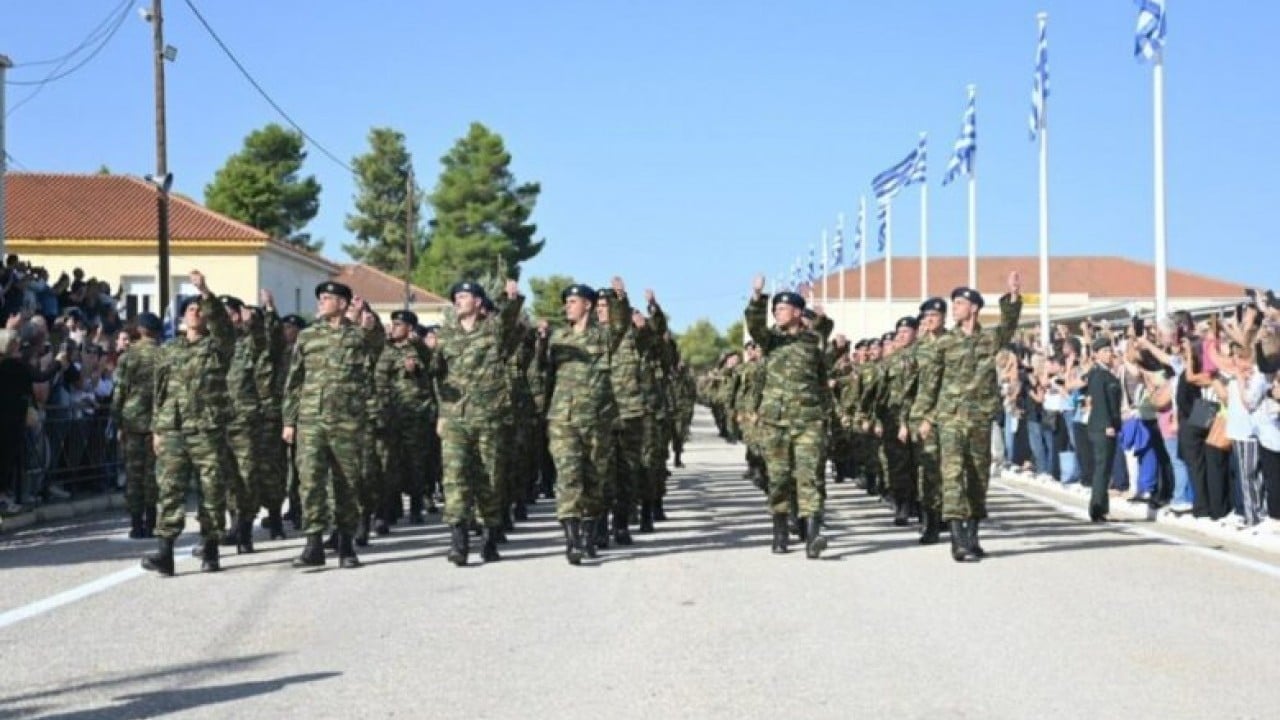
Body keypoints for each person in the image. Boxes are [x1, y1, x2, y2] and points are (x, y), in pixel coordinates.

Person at [914, 271, 1022, 562]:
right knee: (952, 477)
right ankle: (957, 540)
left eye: (960, 303)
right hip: (950, 418)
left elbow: (1009, 325)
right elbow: (929, 383)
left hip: (980, 419)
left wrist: (1012, 296)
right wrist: (922, 418)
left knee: (977, 476)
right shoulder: (944, 343)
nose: (955, 308)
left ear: (973, 308)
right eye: (954, 303)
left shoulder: (989, 338)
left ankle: (973, 537)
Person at [142, 270, 235, 576]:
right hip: (173, 429)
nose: (195, 313)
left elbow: (223, 325)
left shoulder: (218, 346)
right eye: (191, 309)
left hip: (207, 428)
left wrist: (205, 292)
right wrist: (157, 428)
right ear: (182, 317)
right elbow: (160, 391)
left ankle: (210, 549)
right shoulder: (169, 350)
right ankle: (164, 553)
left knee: (211, 490)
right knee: (169, 489)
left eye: (199, 309)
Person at [282, 281, 378, 570]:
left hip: (347, 422)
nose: (321, 302)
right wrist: (289, 421)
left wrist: (367, 322)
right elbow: (294, 380)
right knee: (310, 482)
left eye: (327, 298)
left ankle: (346, 544)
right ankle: (313, 544)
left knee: (347, 484)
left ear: (343, 303)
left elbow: (378, 346)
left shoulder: (359, 335)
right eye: (320, 298)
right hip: (311, 420)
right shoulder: (308, 336)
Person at [432, 279, 523, 566]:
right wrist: (441, 414)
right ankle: (458, 541)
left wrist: (510, 299)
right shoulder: (445, 336)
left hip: (488, 417)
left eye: (464, 296)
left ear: (479, 302)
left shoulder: (494, 330)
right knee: (454, 477)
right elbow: (437, 377)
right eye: (456, 297)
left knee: (490, 478)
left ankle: (488, 534)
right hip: (455, 417)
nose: (458, 301)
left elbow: (509, 322)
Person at [538, 279, 628, 564]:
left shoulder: (603, 337)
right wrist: (540, 341)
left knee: (595, 479)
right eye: (566, 302)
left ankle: (589, 533)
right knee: (568, 476)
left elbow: (620, 324)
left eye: (573, 302)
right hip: (563, 418)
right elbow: (542, 368)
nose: (568, 306)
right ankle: (572, 540)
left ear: (587, 305)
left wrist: (619, 299)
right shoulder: (558, 338)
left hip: (597, 419)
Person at [744, 276, 833, 558]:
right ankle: (780, 530)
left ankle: (813, 534)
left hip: (808, 420)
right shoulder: (771, 341)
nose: (777, 314)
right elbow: (755, 325)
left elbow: (821, 376)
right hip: (776, 421)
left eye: (782, 309)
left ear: (796, 312)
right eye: (775, 310)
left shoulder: (812, 341)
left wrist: (827, 415)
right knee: (779, 478)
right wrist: (758, 297)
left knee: (810, 477)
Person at [111, 311, 162, 539]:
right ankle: (151, 522)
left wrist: (116, 422)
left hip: (132, 422)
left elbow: (119, 392)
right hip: (157, 423)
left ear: (139, 329)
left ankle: (136, 524)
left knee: (133, 474)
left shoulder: (128, 357)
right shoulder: (164, 355)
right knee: (152, 475)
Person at [1085, 338, 1123, 522]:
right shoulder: (1099, 374)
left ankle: (1101, 508)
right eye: (1105, 351)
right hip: (1101, 427)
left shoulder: (1107, 373)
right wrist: (1108, 424)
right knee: (1102, 469)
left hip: (1106, 426)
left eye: (1110, 350)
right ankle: (1097, 509)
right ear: (1097, 354)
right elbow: (1100, 402)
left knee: (1105, 469)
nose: (1109, 354)